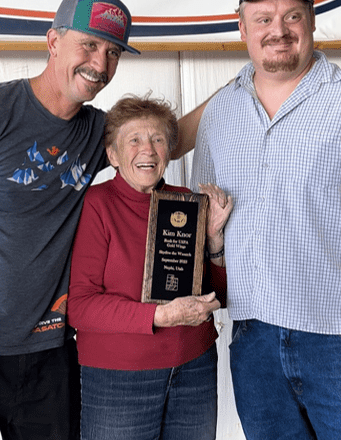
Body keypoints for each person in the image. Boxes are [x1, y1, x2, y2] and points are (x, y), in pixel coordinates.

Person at [0, 0, 203, 439]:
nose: (100, 63)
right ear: (53, 41)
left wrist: (248, 82)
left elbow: (167, 140)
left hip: (49, 352)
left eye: (113, 52)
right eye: (89, 45)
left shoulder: (98, 132)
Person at [189, 0, 341, 439]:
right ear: (242, 28)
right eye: (262, 18)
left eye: (292, 16)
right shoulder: (220, 114)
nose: (278, 30)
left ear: (312, 21)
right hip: (252, 337)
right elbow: (207, 226)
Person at [67, 95, 232, 440]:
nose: (149, 149)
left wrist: (214, 240)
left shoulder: (185, 201)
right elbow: (80, 308)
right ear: (112, 155)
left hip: (194, 367)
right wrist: (160, 317)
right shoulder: (96, 205)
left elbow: (221, 294)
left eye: (158, 139)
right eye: (135, 140)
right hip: (120, 376)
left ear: (169, 150)